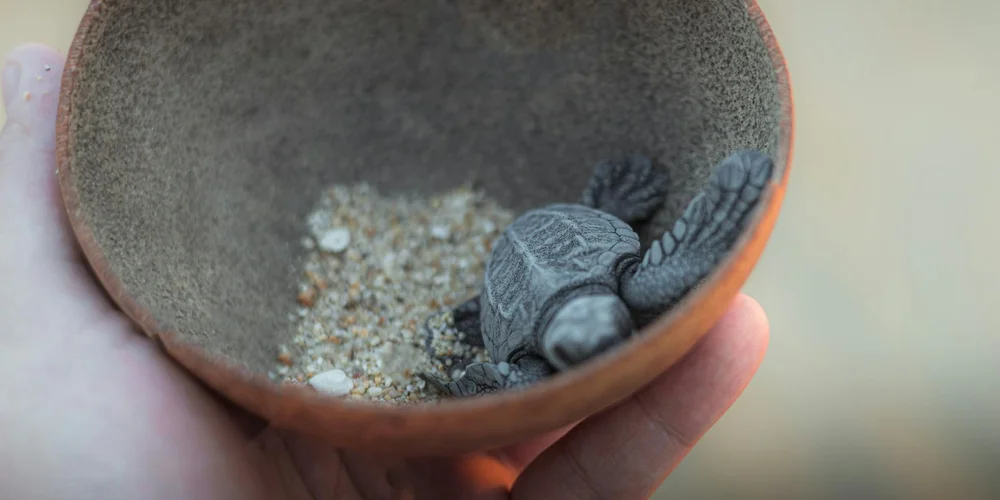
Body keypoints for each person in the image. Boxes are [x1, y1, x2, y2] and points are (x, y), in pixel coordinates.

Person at [0, 43, 770, 500]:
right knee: (498, 371)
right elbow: (492, 380)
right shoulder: (539, 352)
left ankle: (606, 205)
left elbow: (676, 256)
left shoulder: (615, 295)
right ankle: (578, 232)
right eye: (590, 344)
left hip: (578, 236)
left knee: (631, 286)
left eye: (601, 335)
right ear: (553, 350)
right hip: (529, 273)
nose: (609, 339)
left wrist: (728, 192)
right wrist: (478, 380)